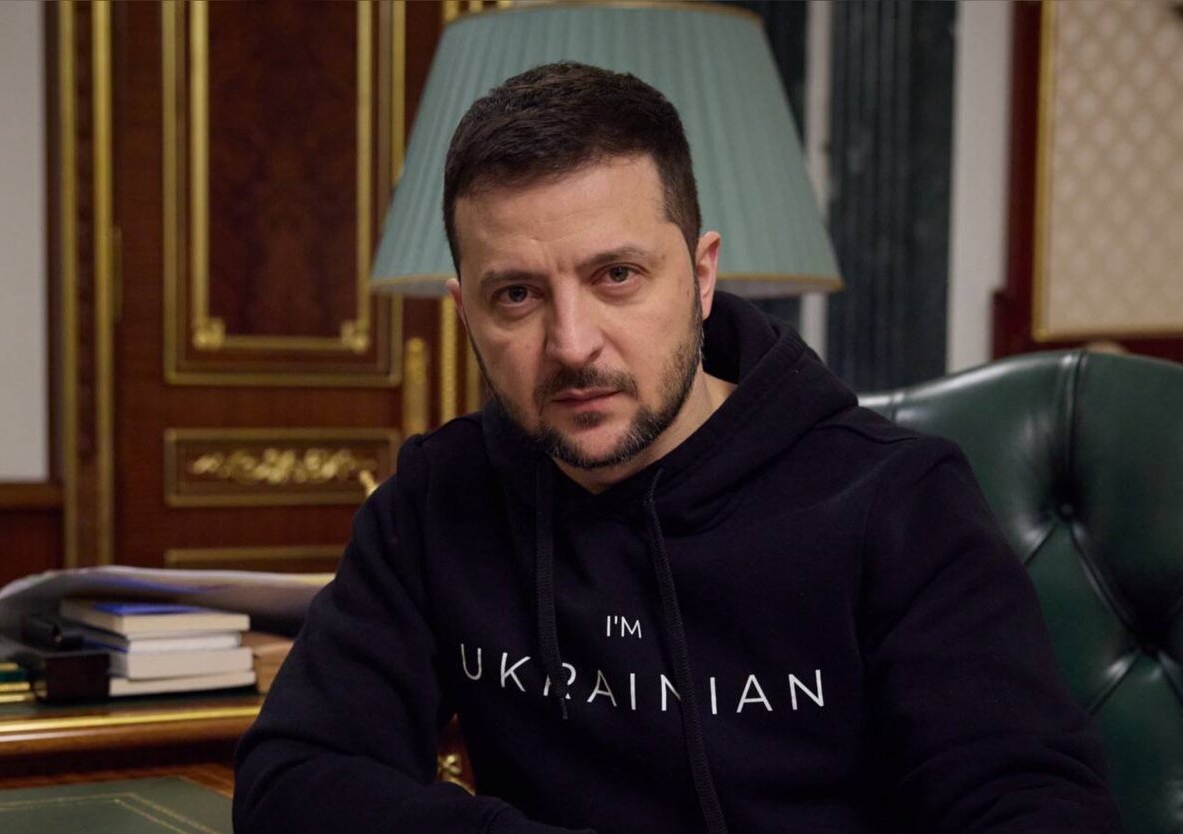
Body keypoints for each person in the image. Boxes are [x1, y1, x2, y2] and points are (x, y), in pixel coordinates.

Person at [234, 62, 1121, 834]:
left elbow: (1037, 809)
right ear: (465, 312)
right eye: (517, 296)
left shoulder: (898, 502)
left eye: (616, 276)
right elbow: (292, 781)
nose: (571, 343)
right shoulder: (439, 498)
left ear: (700, 278)